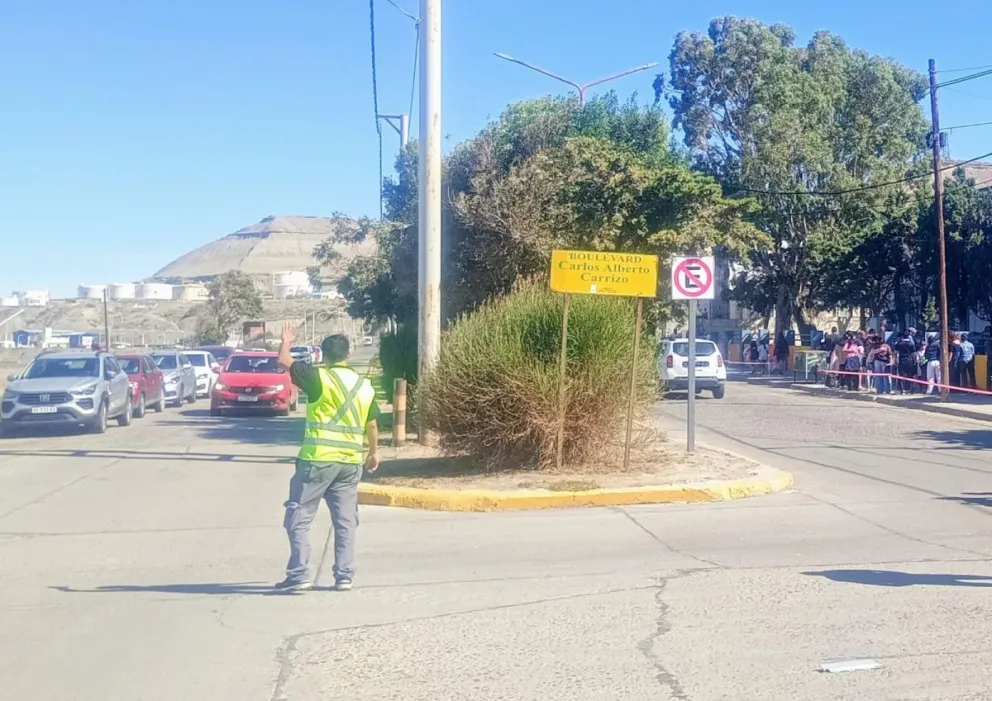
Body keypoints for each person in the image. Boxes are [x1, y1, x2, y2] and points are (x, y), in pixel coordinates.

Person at [275, 323, 380, 592]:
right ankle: (344, 575)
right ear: (347, 354)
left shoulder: (318, 377)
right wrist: (373, 453)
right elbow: (372, 425)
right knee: (345, 521)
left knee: (299, 516)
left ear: (323, 356)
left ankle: (299, 575)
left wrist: (286, 340)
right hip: (349, 463)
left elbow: (283, 361)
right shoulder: (364, 386)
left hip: (318, 461)